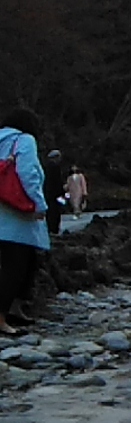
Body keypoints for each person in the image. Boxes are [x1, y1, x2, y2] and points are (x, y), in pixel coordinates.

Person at [0, 109, 49, 335]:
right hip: (17, 214)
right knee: (15, 266)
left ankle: (14, 309)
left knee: (24, 262)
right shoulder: (24, 140)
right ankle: (2, 317)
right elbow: (27, 173)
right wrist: (39, 205)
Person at [42, 149, 64, 235]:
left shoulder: (45, 167)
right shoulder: (55, 167)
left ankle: (50, 228)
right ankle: (54, 229)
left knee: (49, 212)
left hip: (47, 193)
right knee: (55, 212)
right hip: (54, 194)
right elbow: (57, 181)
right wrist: (61, 192)